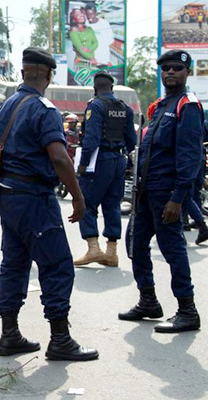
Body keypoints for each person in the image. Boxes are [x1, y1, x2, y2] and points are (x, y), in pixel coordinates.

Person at [0, 47, 97, 361]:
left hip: (8, 194)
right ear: (48, 75)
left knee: (14, 263)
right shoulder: (44, 109)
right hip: (34, 198)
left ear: (24, 71)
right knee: (57, 266)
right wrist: (78, 197)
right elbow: (60, 156)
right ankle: (60, 339)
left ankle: (9, 335)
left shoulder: (6, 105)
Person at [120, 50, 204, 333]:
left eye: (176, 68)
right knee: (134, 243)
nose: (170, 72)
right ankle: (148, 301)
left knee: (173, 250)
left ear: (186, 73)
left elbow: (190, 154)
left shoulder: (187, 105)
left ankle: (187, 310)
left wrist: (178, 197)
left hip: (166, 192)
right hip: (145, 192)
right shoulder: (159, 106)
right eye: (166, 68)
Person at [73, 71, 135, 267]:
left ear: (95, 88)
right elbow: (132, 141)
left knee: (87, 203)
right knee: (112, 204)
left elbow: (91, 139)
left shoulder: (96, 105)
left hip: (100, 160)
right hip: (119, 159)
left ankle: (93, 249)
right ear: (112, 87)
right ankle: (111, 252)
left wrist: (83, 164)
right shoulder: (125, 108)